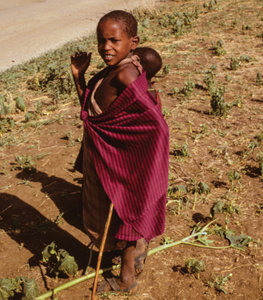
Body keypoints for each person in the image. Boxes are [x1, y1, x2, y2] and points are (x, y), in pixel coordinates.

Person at [70, 10, 169, 293]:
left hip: (121, 164)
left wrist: (137, 159)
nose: (106, 47)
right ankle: (131, 258)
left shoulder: (125, 74)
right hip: (105, 158)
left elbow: (157, 125)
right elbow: (91, 110)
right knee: (120, 217)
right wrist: (79, 76)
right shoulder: (110, 71)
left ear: (133, 42)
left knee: (129, 216)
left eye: (114, 40)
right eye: (102, 41)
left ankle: (127, 280)